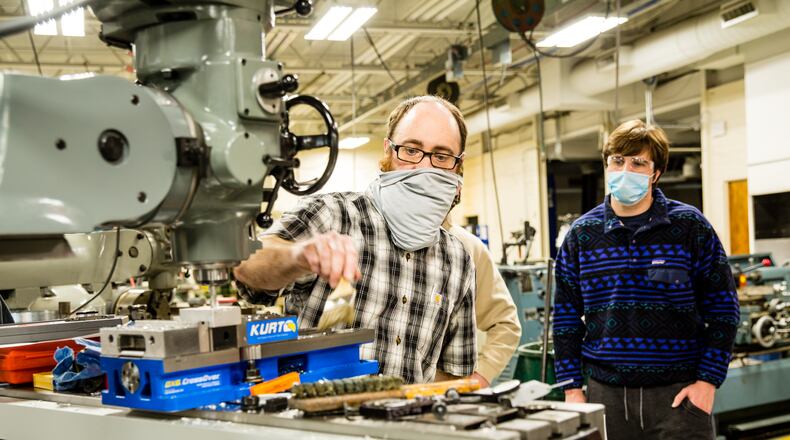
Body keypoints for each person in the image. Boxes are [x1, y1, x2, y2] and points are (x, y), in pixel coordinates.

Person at [234, 95, 476, 384]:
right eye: (411, 150)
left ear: (457, 166)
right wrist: (299, 255)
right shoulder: (333, 216)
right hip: (318, 422)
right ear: (388, 151)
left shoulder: (458, 260)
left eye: (442, 156)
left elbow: (450, 375)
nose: (424, 167)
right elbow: (248, 267)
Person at [552, 120, 739, 439]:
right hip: (605, 396)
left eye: (638, 163)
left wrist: (707, 382)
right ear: (606, 165)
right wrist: (572, 389)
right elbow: (566, 319)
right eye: (618, 160)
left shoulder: (690, 227)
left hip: (679, 399)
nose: (625, 169)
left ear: (655, 173)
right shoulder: (582, 235)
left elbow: (724, 312)